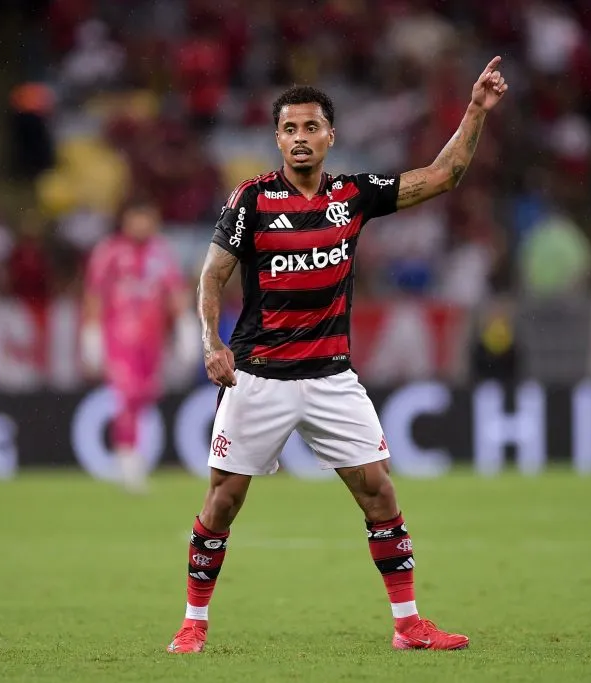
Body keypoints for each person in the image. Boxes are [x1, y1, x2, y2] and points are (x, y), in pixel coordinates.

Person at [168, 58, 509, 653]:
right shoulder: (250, 201)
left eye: (311, 127)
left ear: (331, 135)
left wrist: (475, 109)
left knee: (379, 491)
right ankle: (193, 622)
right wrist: (211, 342)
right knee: (223, 501)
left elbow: (443, 174)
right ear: (277, 138)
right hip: (259, 377)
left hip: (331, 378)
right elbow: (211, 277)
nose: (300, 138)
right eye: (289, 129)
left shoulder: (352, 196)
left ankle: (408, 625)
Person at [82, 198, 195, 492]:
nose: (142, 225)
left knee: (145, 395)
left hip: (152, 339)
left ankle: (130, 454)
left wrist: (185, 327)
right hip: (118, 337)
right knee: (126, 394)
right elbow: (94, 292)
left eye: (148, 219)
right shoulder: (110, 251)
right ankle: (127, 458)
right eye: (137, 219)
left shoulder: (161, 253)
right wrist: (91, 332)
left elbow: (175, 292)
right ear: (127, 220)